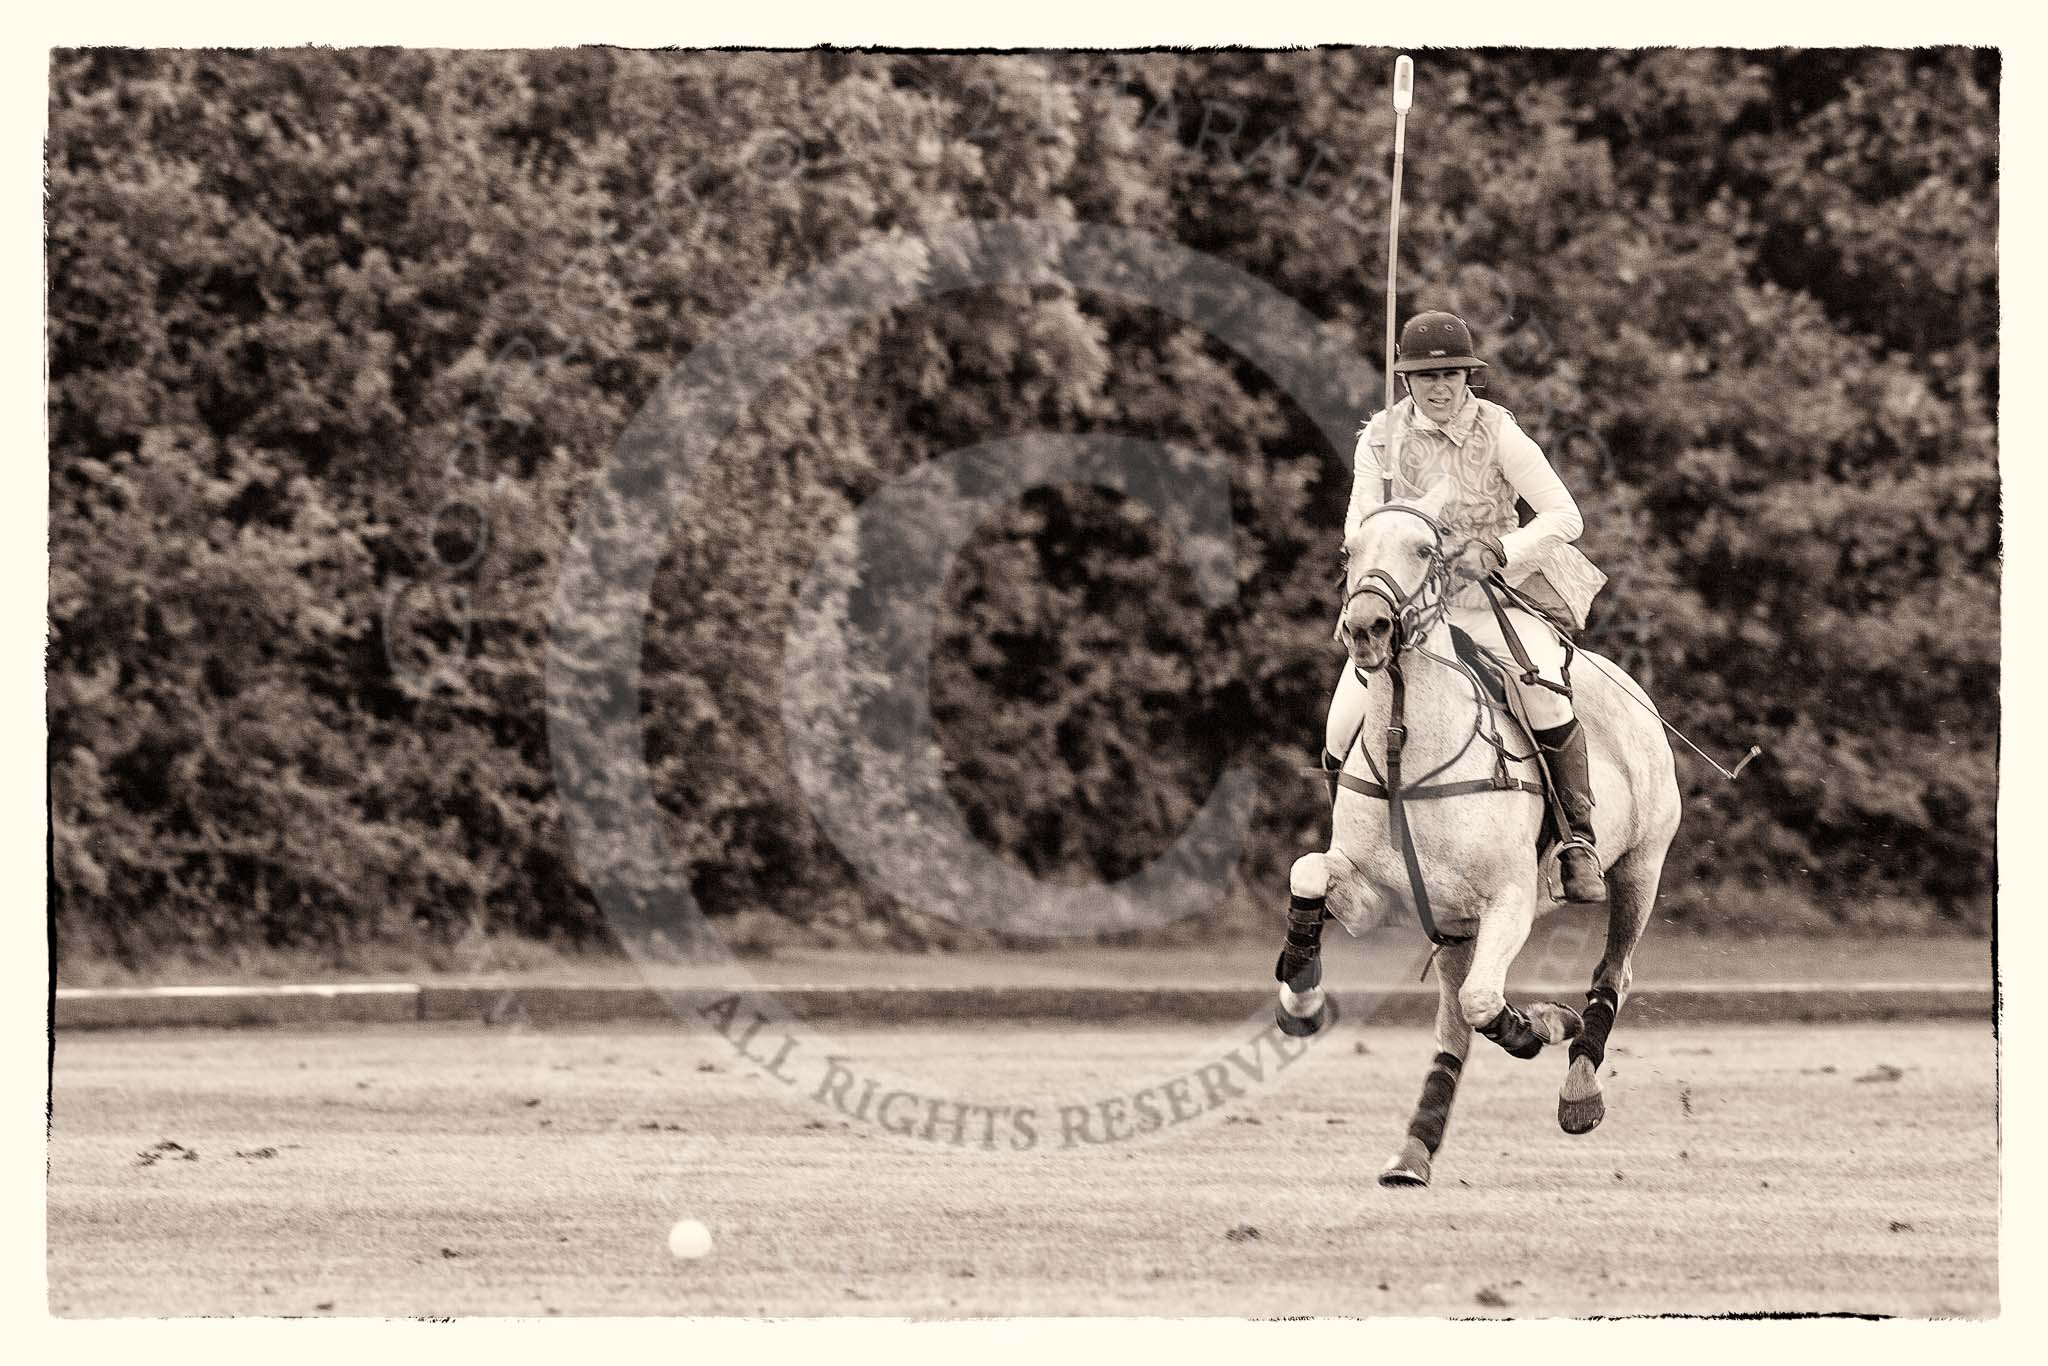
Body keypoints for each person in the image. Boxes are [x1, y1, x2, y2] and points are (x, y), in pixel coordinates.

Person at [1325, 310, 1611, 901]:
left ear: (1467, 376)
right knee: (1341, 721)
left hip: (1491, 602)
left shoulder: (1500, 432)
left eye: (1452, 374)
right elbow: (1357, 524)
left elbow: (1566, 516)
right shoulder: (1378, 437)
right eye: (1426, 377)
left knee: (1541, 689)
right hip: (1411, 613)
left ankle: (1575, 842)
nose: (1440, 387)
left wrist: (1500, 550)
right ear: (1406, 380)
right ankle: (1355, 850)